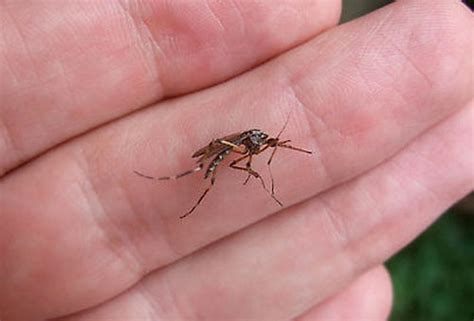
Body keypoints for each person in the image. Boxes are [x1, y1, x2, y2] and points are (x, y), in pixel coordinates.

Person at [0, 0, 472, 320]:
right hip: (219, 148)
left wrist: (271, 160)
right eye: (266, 146)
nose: (268, 148)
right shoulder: (247, 144)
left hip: (229, 146)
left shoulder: (260, 140)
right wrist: (246, 166)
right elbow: (245, 152)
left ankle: (186, 183)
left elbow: (266, 147)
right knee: (204, 176)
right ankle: (174, 183)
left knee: (224, 172)